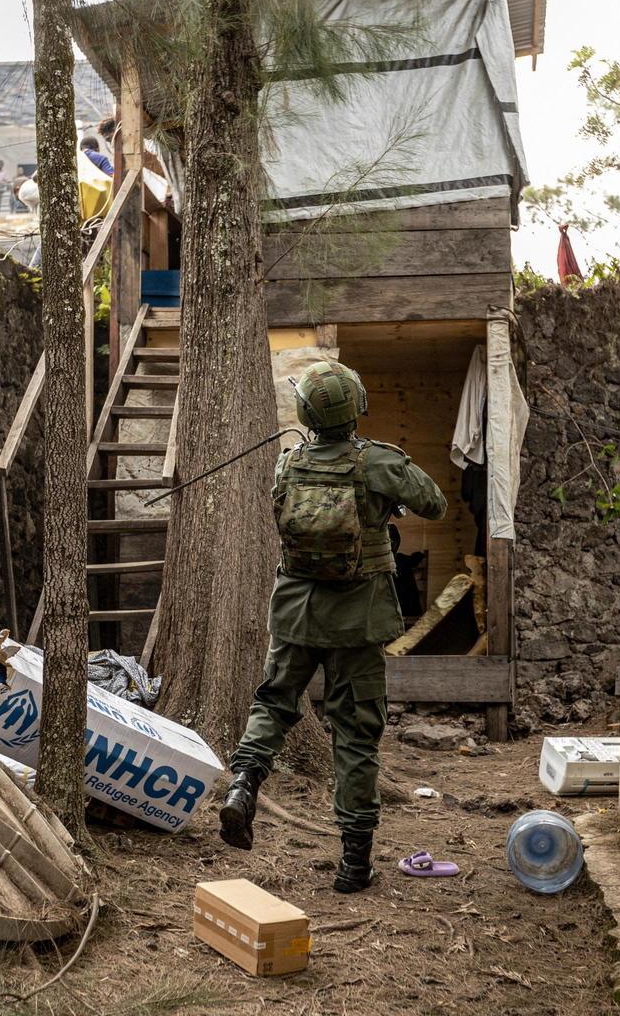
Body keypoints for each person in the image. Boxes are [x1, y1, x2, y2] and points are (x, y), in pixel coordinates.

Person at [219, 361, 447, 893]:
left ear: (307, 414)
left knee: (274, 705)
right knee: (356, 734)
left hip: (296, 612)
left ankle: (243, 785)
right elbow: (434, 504)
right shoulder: (378, 463)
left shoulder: (287, 464)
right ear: (356, 406)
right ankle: (353, 862)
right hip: (359, 620)